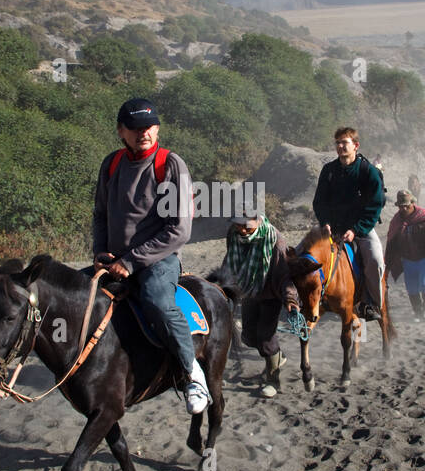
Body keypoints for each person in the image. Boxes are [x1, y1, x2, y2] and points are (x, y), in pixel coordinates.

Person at [93, 97, 209, 414]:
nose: (143, 133)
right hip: (114, 260)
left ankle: (191, 372)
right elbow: (101, 214)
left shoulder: (170, 165)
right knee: (75, 296)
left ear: (157, 128)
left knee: (157, 301)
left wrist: (130, 262)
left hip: (158, 260)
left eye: (149, 126)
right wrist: (100, 251)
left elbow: (179, 229)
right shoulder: (112, 164)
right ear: (121, 131)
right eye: (135, 128)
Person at [219, 210, 298, 398]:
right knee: (248, 336)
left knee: (265, 336)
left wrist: (290, 298)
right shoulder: (233, 234)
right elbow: (230, 261)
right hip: (248, 291)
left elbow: (284, 273)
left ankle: (273, 381)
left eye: (246, 225)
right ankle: (277, 356)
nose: (242, 230)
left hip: (270, 292)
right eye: (238, 224)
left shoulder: (274, 238)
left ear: (257, 220)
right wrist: (221, 286)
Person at [312, 127, 387, 321]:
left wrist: (356, 230)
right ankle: (309, 299)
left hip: (361, 229)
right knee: (305, 255)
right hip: (332, 228)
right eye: (337, 142)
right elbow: (319, 201)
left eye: (344, 142)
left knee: (376, 260)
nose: (340, 146)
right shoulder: (329, 171)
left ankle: (372, 303)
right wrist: (325, 222)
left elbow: (375, 204)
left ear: (356, 145)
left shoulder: (368, 172)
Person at [386, 190, 425, 321]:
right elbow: (391, 242)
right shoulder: (396, 221)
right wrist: (388, 264)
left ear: (412, 203)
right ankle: (417, 312)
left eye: (406, 205)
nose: (403, 208)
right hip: (408, 259)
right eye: (401, 206)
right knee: (412, 288)